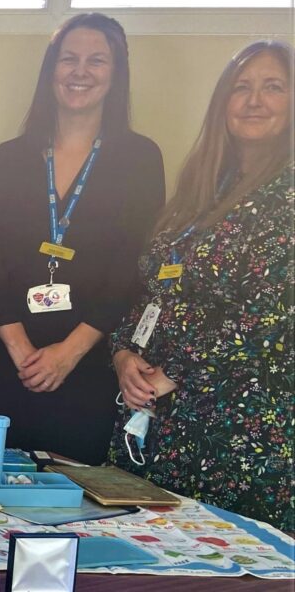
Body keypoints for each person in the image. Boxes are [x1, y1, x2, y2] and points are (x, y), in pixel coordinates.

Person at [0, 13, 165, 465]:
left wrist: (67, 354)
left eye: (97, 61)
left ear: (116, 75)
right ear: (50, 70)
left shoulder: (140, 159)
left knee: (71, 512)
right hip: (4, 365)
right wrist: (22, 351)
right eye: (68, 59)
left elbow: (130, 267)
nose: (80, 71)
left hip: (87, 369)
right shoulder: (8, 157)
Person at [109, 40, 292, 530]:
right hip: (157, 421)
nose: (255, 100)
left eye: (272, 87)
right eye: (242, 88)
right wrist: (124, 355)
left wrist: (173, 372)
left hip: (237, 432)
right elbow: (153, 288)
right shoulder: (203, 186)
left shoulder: (288, 197)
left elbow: (269, 316)